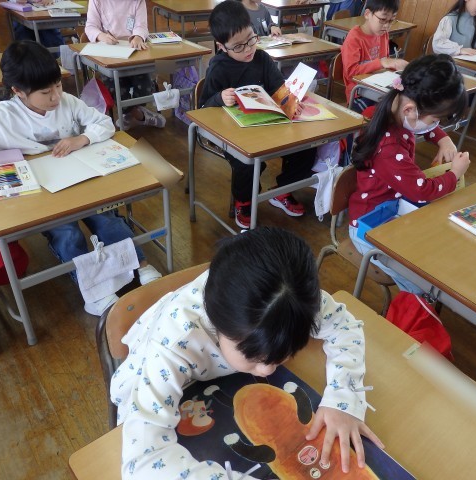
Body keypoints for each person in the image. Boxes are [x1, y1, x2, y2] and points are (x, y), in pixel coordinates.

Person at [112, 226, 383, 479]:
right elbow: (143, 461)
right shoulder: (174, 341)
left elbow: (345, 326)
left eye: (283, 354)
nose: (267, 370)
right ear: (216, 324)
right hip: (155, 386)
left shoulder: (289, 298)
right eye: (254, 358)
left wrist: (342, 399)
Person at [0, 41, 162, 315]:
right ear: (18, 91)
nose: (56, 96)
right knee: (67, 233)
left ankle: (139, 265)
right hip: (43, 193)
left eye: (58, 85)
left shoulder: (67, 102)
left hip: (79, 179)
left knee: (106, 219)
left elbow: (104, 123)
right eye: (46, 92)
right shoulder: (3, 116)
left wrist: (81, 138)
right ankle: (92, 287)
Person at [348, 54, 470, 293]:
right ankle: (415, 304)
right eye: (436, 119)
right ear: (410, 110)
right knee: (423, 282)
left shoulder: (395, 109)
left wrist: (442, 138)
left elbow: (421, 125)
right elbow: (421, 191)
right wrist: (454, 174)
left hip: (394, 211)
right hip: (370, 228)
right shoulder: (389, 148)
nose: (435, 125)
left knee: (438, 254)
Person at [199, 1, 316, 230]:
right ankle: (244, 201)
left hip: (267, 124)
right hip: (233, 133)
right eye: (238, 46)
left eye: (251, 39)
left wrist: (291, 102)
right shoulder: (218, 68)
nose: (248, 49)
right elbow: (202, 108)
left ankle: (283, 190)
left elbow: (279, 89)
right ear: (222, 46)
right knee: (248, 160)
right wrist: (219, 98)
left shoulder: (261, 58)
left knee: (306, 145)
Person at [85, 0, 166, 129]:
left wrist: (138, 36)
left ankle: (131, 114)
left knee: (145, 86)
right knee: (115, 89)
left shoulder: (137, 1)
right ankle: (140, 115)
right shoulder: (97, 1)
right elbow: (90, 26)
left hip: (133, 53)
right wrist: (101, 36)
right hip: (109, 55)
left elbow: (141, 25)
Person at [341, 0, 408, 113]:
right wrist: (382, 62)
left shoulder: (383, 34)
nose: (387, 26)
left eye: (391, 20)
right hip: (358, 94)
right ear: (367, 14)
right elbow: (350, 72)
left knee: (403, 104)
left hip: (378, 87)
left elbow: (385, 64)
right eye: (382, 19)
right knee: (384, 113)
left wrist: (396, 65)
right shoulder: (355, 37)